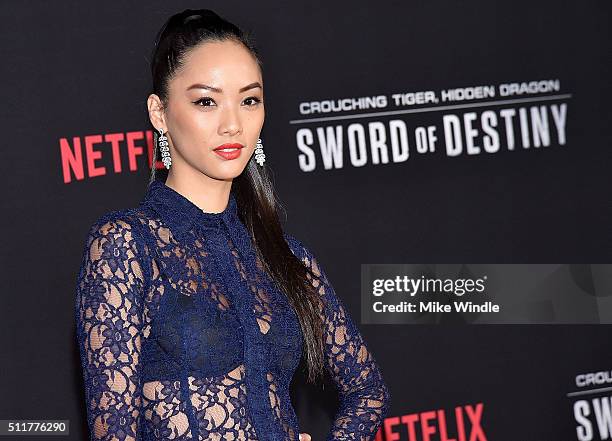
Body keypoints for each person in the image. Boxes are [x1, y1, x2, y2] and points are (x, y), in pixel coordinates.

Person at [74, 8, 390, 441]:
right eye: (206, 101)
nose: (232, 124)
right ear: (159, 113)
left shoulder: (287, 256)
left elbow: (367, 391)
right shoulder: (127, 246)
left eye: (249, 100)